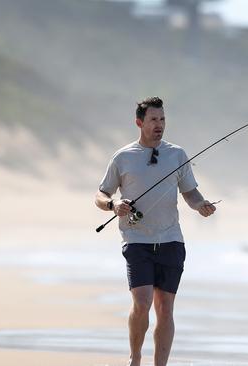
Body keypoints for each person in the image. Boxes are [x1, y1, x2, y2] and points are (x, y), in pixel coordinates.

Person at [95, 96, 216, 366]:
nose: (159, 125)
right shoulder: (123, 157)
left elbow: (190, 192)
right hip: (137, 240)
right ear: (139, 122)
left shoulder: (177, 154)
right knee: (142, 302)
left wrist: (200, 205)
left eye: (162, 119)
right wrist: (114, 205)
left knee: (165, 308)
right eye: (153, 120)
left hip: (171, 240)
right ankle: (135, 358)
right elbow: (101, 194)